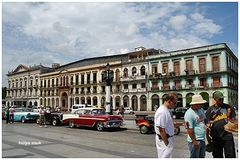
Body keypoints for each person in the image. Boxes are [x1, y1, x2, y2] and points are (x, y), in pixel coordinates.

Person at [205, 91, 236, 158]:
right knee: (217, 155)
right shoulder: (210, 110)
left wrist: (229, 119)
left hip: (227, 136)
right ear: (215, 99)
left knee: (230, 155)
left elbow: (233, 120)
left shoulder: (228, 108)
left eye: (222, 99)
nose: (222, 100)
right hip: (216, 137)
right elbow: (207, 125)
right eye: (220, 99)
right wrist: (208, 138)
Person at [154, 93, 178, 158]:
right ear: (169, 101)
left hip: (167, 139)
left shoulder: (166, 110)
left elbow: (168, 125)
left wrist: (181, 124)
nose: (175, 105)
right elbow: (161, 129)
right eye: (175, 103)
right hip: (165, 140)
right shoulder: (162, 111)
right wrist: (167, 143)